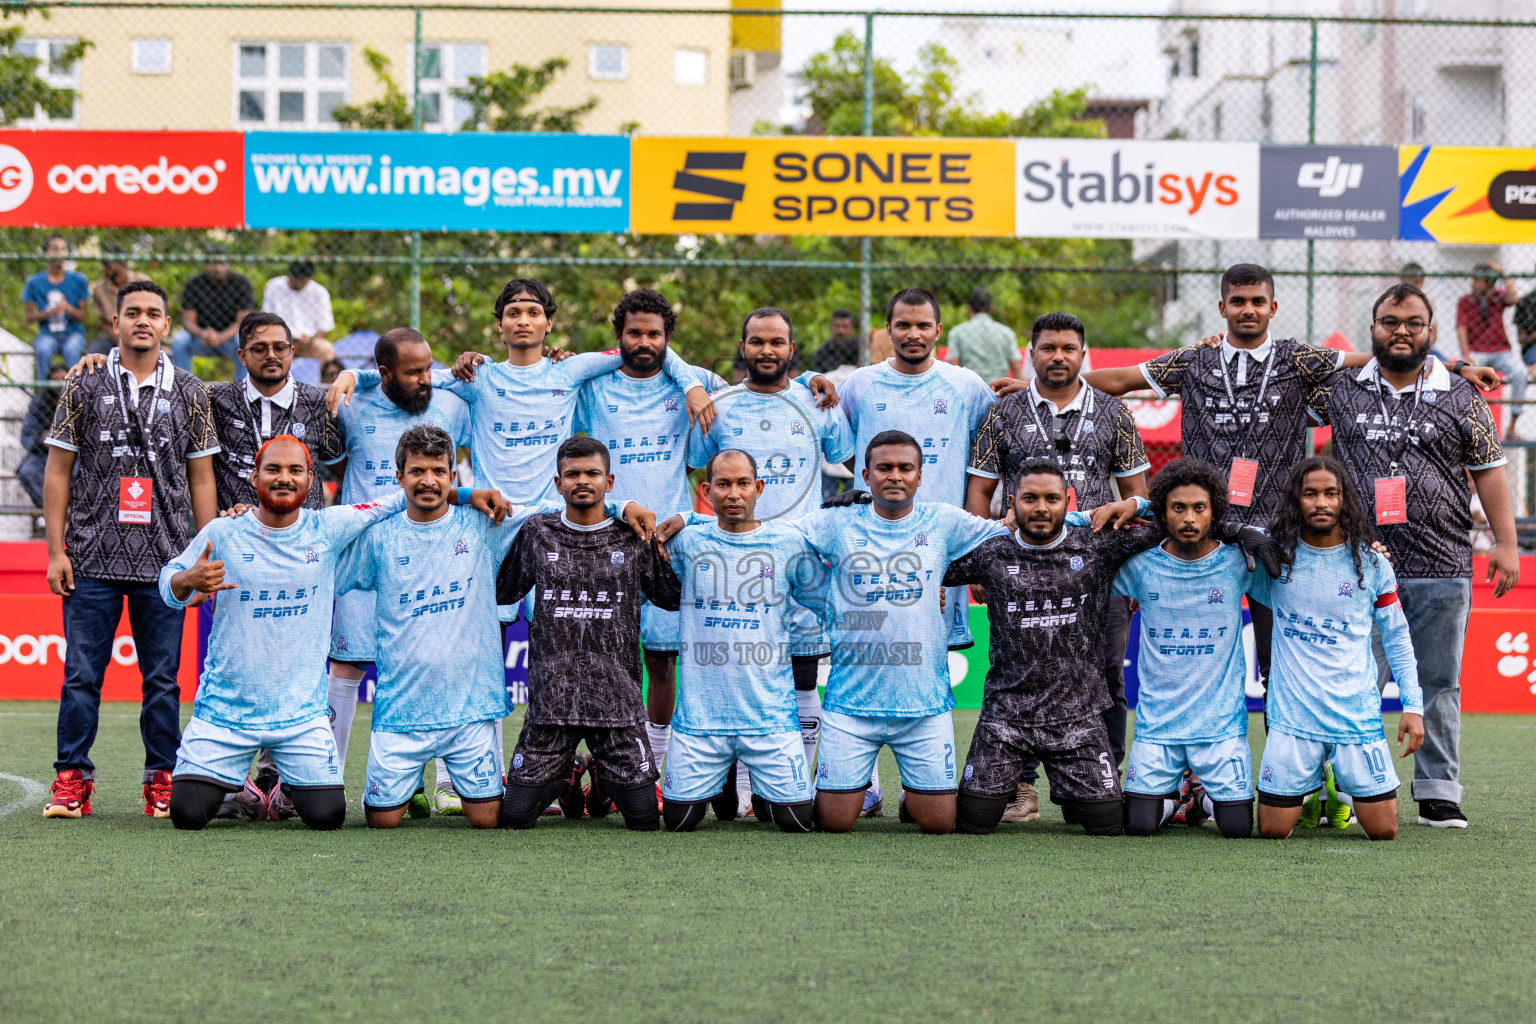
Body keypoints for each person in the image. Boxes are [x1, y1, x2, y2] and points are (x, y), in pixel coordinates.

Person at [1053, 263, 1496, 705]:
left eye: (1257, 302)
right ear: (1223, 306)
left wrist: (1452, 366)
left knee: (1281, 666)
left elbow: (1378, 358)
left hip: (1277, 537)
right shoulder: (1194, 360)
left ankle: (1288, 775)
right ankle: (1198, 774)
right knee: (1196, 660)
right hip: (1204, 534)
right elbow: (1120, 379)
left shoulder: (1298, 360)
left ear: (1273, 307)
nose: (1248, 309)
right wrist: (1046, 386)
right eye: (1239, 301)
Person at [159, 436, 504, 830]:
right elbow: (168, 583)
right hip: (225, 711)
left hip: (301, 716)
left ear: (311, 480)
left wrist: (465, 493)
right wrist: (187, 580)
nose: (283, 479)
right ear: (255, 476)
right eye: (273, 470)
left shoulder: (329, 527)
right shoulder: (223, 531)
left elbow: (401, 499)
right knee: (186, 815)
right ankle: (245, 788)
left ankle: (273, 781)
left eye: (294, 471)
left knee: (327, 817)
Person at [1307, 282, 1519, 828]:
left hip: (1442, 564)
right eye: (1389, 321)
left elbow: (1490, 470)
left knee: (1438, 682)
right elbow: (1276, 395)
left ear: (1431, 331)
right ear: (1373, 328)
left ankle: (1438, 791)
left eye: (1412, 323)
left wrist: (1506, 542)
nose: (1401, 331)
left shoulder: (1461, 394)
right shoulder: (1339, 389)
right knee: (1350, 682)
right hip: (1355, 566)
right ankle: (1346, 790)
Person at [41, 280, 220, 819]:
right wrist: (56, 550)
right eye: (133, 313)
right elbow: (57, 471)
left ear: (168, 325)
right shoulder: (83, 386)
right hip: (92, 557)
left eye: (154, 313)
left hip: (166, 563)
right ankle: (72, 782)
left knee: (162, 681)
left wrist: (202, 554)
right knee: (81, 676)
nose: (143, 320)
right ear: (115, 323)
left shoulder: (192, 391)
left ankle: (161, 780)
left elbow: (203, 480)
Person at [966, 311, 1150, 823]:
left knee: (1107, 673)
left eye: (1068, 348)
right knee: (1016, 672)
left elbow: (1138, 497)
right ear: (1032, 352)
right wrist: (986, 562)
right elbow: (979, 493)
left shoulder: (1115, 412)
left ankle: (1099, 775)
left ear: (1083, 354)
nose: (1058, 356)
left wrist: (1131, 575)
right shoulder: (1002, 413)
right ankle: (1018, 786)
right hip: (1018, 570)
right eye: (1048, 348)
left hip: (1097, 572)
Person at [793, 431, 1012, 834]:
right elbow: (777, 541)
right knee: (833, 823)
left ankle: (913, 793)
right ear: (865, 475)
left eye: (905, 468)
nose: (895, 476)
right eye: (884, 468)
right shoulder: (837, 521)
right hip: (850, 706)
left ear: (919, 476)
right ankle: (874, 789)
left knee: (939, 824)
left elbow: (1009, 531)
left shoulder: (943, 521)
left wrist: (1094, 515)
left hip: (923, 706)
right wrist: (827, 602)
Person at [687, 307, 855, 815]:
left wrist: (813, 383)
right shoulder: (720, 405)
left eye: (777, 342)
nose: (766, 350)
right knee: (736, 672)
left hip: (798, 556)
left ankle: (791, 784)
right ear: (743, 347)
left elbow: (845, 458)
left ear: (792, 349)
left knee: (803, 674)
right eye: (756, 341)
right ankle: (736, 787)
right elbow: (696, 465)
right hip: (733, 560)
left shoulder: (817, 399)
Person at [941, 459, 1157, 836]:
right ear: (1012, 502)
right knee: (972, 822)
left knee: (1106, 825)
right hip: (1006, 718)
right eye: (1030, 498)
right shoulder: (990, 552)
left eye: (1052, 498)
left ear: (1068, 501)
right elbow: (917, 552)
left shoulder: (1096, 544)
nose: (1041, 507)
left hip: (1078, 717)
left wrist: (1137, 504)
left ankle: (1073, 792)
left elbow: (1175, 521)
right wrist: (863, 510)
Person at [571, 289, 728, 804]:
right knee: (597, 660)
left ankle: (651, 769)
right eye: (634, 333)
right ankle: (598, 770)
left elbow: (756, 390)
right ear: (619, 337)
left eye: (654, 334)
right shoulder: (592, 387)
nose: (643, 342)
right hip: (604, 537)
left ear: (668, 339)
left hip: (664, 543)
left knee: (661, 662)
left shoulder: (695, 388)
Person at [495, 436, 675, 831]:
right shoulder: (538, 533)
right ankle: (569, 771)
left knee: (644, 819)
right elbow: (502, 589)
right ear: (558, 484)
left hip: (618, 705)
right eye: (572, 474)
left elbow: (671, 595)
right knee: (514, 816)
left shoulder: (634, 536)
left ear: (609, 483)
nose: (582, 481)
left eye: (592, 473)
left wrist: (679, 532)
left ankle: (607, 778)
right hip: (550, 704)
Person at [326, 328, 472, 813]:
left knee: (438, 657)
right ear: (385, 374)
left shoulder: (451, 405)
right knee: (347, 663)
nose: (425, 379)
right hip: (368, 551)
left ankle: (450, 787)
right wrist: (352, 375)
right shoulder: (352, 403)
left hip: (432, 551)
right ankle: (328, 781)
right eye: (413, 373)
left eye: (429, 368)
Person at [653, 449, 827, 834]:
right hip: (701, 721)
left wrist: (914, 593)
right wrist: (686, 517)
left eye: (743, 483)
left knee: (797, 822)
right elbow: (636, 532)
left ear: (758, 488)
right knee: (679, 822)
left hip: (769, 718)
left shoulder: (788, 543)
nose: (734, 493)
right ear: (707, 490)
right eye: (723, 484)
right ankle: (723, 776)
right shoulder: (686, 541)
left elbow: (836, 599)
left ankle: (761, 786)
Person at [1250, 457, 1424, 841]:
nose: (1321, 502)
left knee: (1384, 831)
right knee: (1272, 830)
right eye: (1310, 494)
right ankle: (1312, 783)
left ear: (1345, 499)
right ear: (1296, 500)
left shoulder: (1373, 564)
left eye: (1331, 493)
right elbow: (1210, 550)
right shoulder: (1273, 560)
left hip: (1355, 719)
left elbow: (1397, 637)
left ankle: (1334, 781)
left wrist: (1412, 705)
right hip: (1293, 721)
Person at [1115, 459, 1264, 839]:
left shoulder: (1239, 562)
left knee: (1237, 830)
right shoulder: (1139, 565)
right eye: (1178, 507)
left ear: (1214, 511)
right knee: (1137, 826)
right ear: (1162, 511)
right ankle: (1177, 795)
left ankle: (1201, 795)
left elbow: (1297, 552)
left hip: (1220, 727)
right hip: (1158, 726)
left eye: (1199, 507)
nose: (1189, 517)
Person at [1455, 262, 1525, 427]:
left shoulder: (1498, 296)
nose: (1472, 283)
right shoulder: (1465, 301)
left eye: (1477, 280)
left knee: (1520, 374)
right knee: (1461, 376)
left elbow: (1514, 298)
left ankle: (1512, 426)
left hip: (1501, 351)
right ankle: (1464, 423)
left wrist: (1503, 274)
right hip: (1476, 352)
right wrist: (1465, 354)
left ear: (1487, 282)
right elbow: (1461, 327)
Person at [173, 246, 253, 378]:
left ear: (228, 264)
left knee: (247, 343)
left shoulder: (241, 283)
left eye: (221, 263)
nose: (217, 268)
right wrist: (202, 334)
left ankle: (241, 392)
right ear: (205, 264)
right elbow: (187, 320)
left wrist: (221, 336)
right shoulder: (194, 284)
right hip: (201, 338)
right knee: (179, 342)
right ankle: (184, 390)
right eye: (212, 263)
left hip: (229, 339)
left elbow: (243, 321)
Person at [23, 234, 89, 380]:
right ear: (46, 253)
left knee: (71, 350)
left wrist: (66, 308)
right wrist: (50, 312)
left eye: (63, 249)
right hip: (47, 334)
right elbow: (28, 317)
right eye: (55, 249)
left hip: (73, 333)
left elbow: (83, 317)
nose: (59, 253)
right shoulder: (34, 282)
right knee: (43, 350)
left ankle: (72, 394)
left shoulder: (78, 280)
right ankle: (44, 395)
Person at [262, 260, 336, 363]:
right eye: (297, 278)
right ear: (290, 273)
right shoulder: (274, 286)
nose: (300, 282)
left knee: (326, 349)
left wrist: (310, 340)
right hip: (279, 340)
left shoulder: (319, 292)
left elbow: (324, 326)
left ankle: (325, 379)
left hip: (308, 342)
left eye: (304, 279)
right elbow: (266, 319)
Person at [945, 288, 1022, 384]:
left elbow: (953, 366)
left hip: (970, 391)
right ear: (991, 308)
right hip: (999, 392)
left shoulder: (956, 332)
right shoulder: (1006, 332)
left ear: (969, 307)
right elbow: (1016, 367)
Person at [17, 365, 66, 508]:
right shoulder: (39, 402)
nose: (59, 383)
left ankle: (72, 514)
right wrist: (41, 438)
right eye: (54, 380)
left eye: (63, 379)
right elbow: (27, 435)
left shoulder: (81, 399)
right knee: (27, 471)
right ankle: (49, 512)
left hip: (73, 453)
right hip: (43, 452)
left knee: (78, 473)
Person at [87, 254, 149, 356]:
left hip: (140, 332)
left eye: (109, 265)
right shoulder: (99, 288)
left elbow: (150, 313)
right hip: (112, 335)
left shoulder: (142, 282)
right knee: (95, 350)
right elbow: (104, 322)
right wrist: (118, 337)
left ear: (121, 264)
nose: (104, 268)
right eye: (103, 265)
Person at [811, 309, 861, 375]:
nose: (840, 330)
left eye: (845, 326)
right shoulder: (822, 350)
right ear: (831, 327)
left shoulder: (860, 348)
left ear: (852, 328)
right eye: (837, 326)